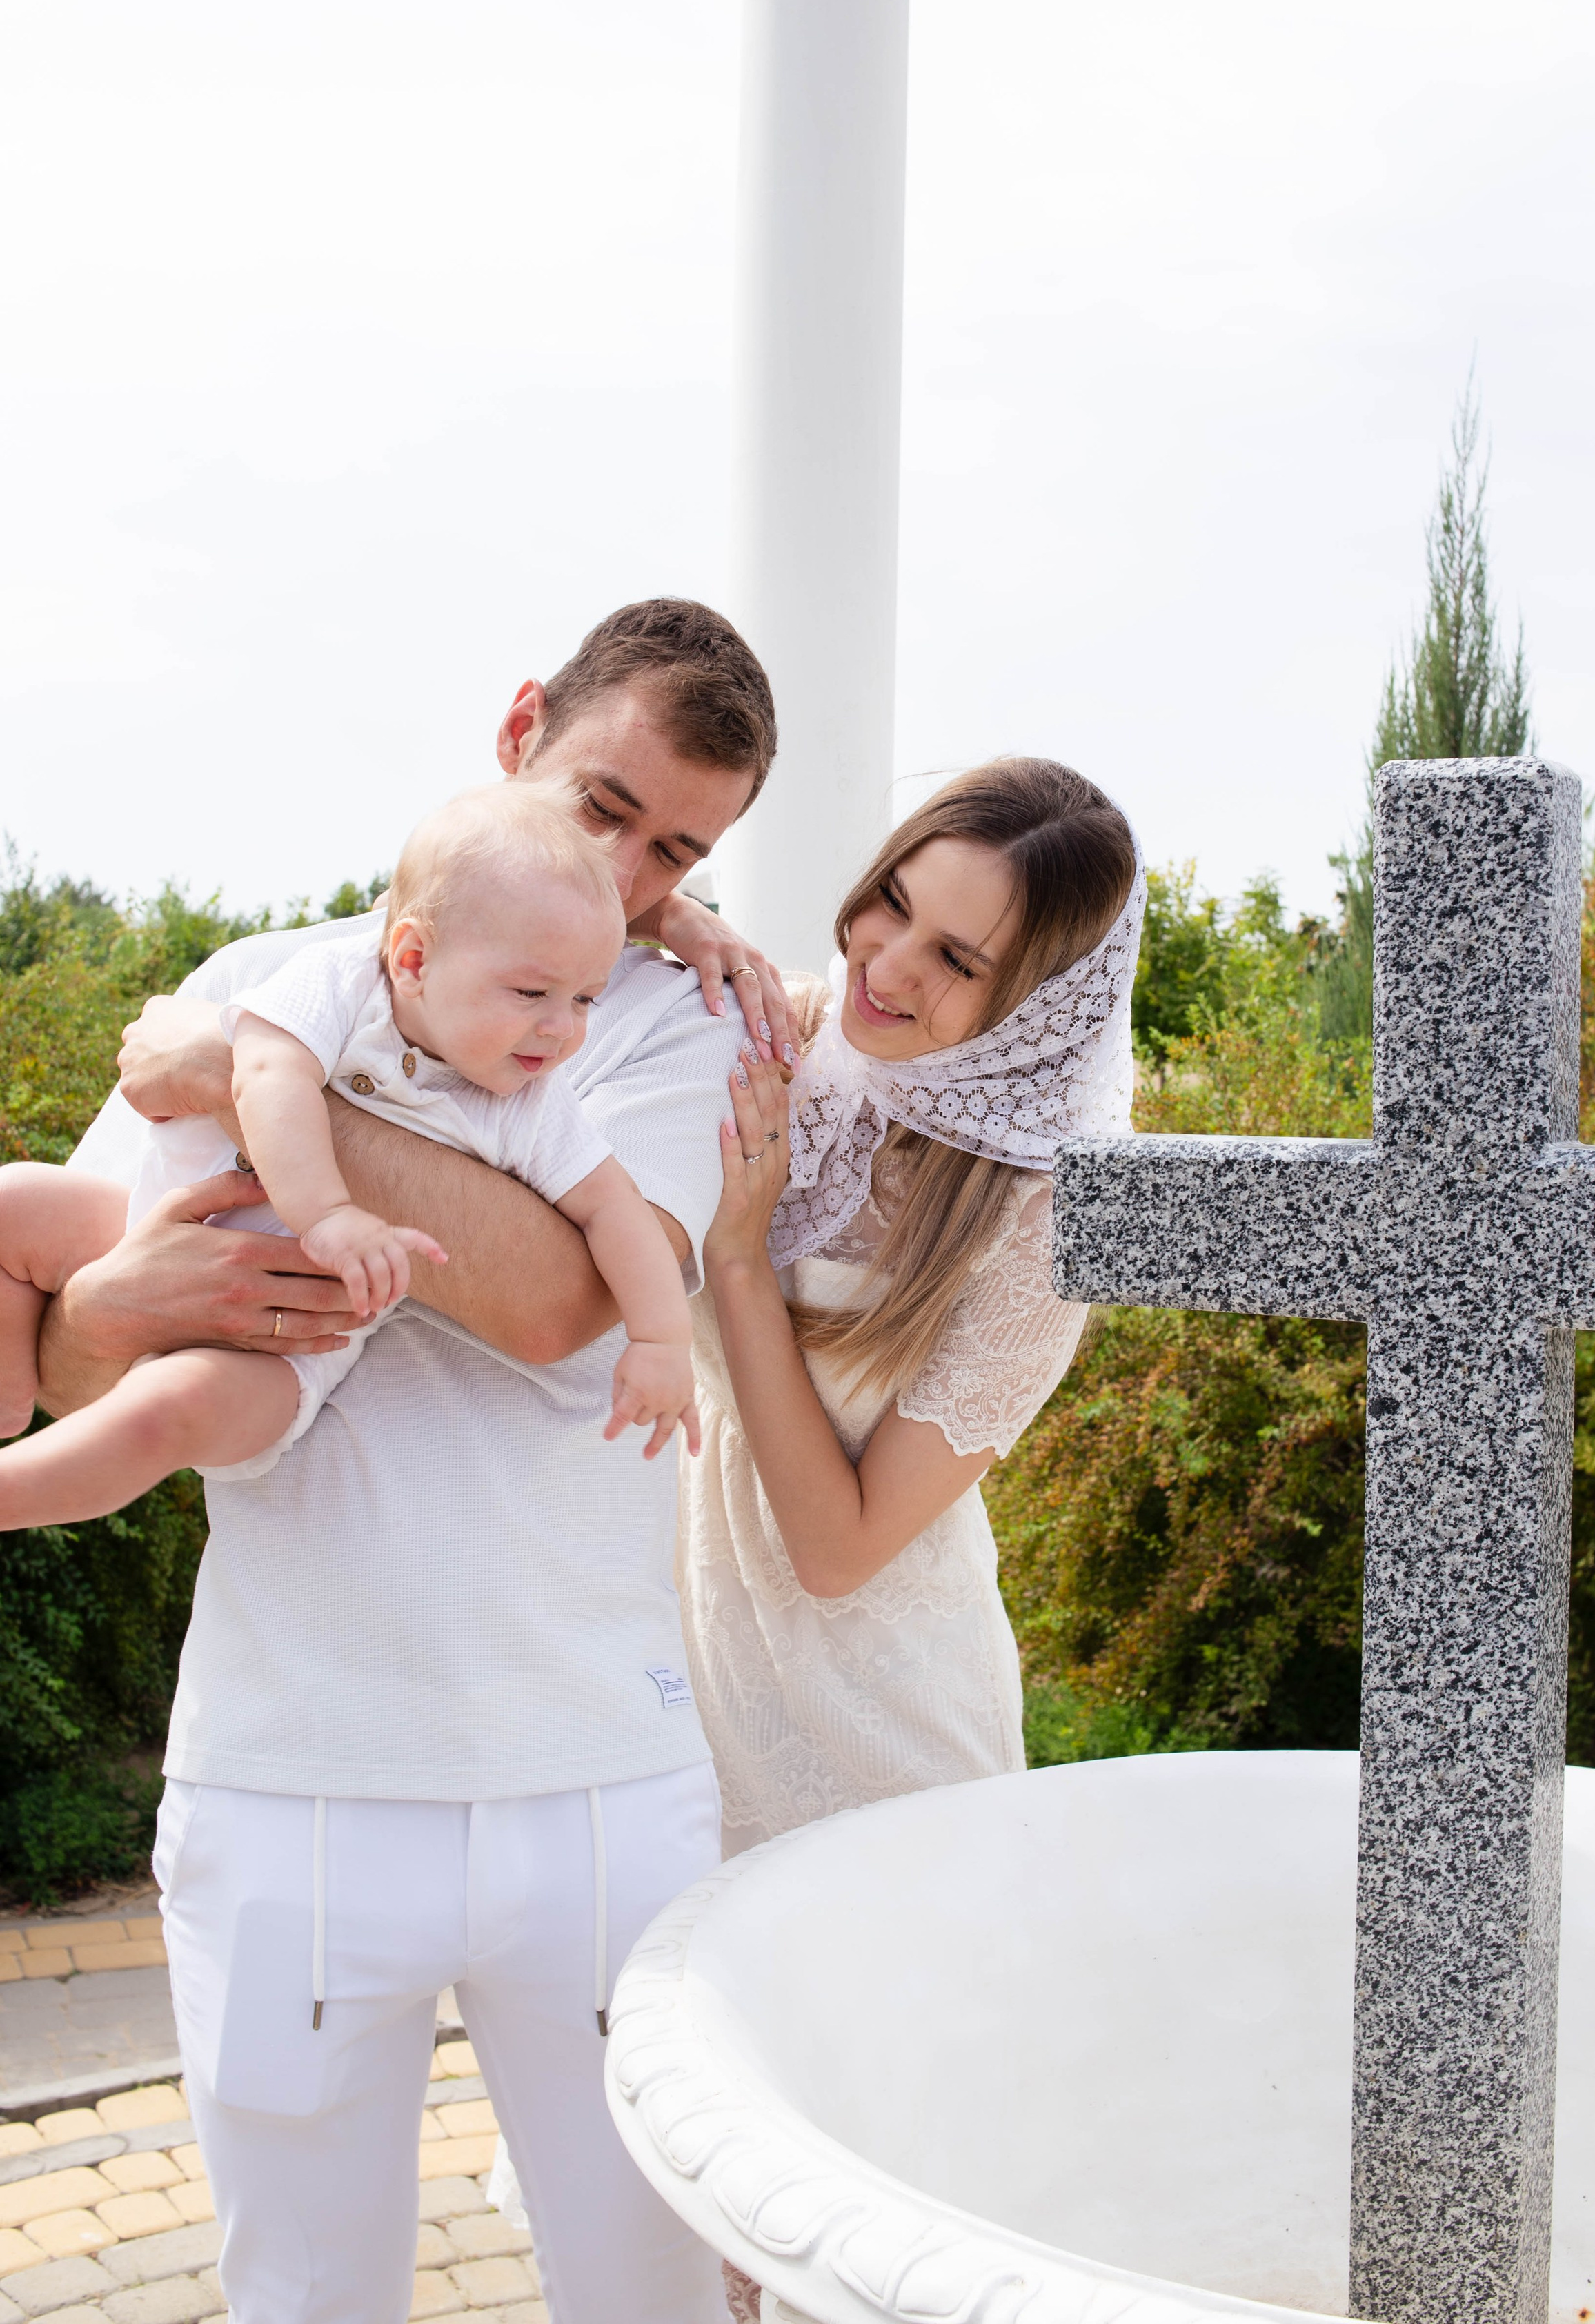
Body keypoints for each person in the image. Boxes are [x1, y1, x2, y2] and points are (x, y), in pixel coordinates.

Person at [32, 598, 786, 2324]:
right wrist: (107, 1296)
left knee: (654, 2297)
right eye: (607, 806)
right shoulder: (250, 974)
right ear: (521, 719)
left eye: (682, 849)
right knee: (302, 2298)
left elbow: (552, 1300)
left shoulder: (653, 1019)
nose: (637, 874)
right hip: (290, 1779)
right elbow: (75, 1340)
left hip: (601, 1785)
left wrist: (256, 1082)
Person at [0, 782, 700, 1526]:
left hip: (293, 1341)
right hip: (160, 1227)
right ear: (412, 958)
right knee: (15, 1202)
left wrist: (660, 1340)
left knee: (163, 1412)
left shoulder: (529, 1101)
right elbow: (265, 1071)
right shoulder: (340, 981)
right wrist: (327, 1211)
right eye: (532, 992)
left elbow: (614, 1207)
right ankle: (11, 1391)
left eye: (586, 999)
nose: (561, 1030)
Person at [682, 758, 1142, 1851]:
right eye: (894, 900)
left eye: (956, 958)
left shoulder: (1033, 1215)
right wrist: (669, 915)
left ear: (1034, 1005)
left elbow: (838, 1551)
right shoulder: (777, 1031)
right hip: (672, 1682)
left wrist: (742, 1262)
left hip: (881, 1734)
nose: (886, 965)